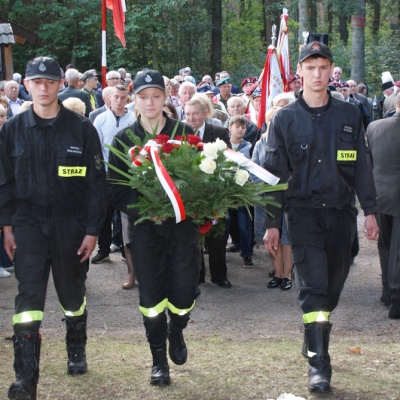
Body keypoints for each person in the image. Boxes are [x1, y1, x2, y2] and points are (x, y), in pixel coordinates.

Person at [263, 42, 379, 393]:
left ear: (331, 72)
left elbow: (361, 166)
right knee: (313, 288)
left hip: (342, 215)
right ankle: (319, 364)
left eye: (323, 67)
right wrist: (271, 221)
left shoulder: (349, 116)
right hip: (303, 214)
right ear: (299, 72)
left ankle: (312, 333)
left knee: (332, 287)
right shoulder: (284, 119)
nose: (316, 74)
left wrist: (370, 210)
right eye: (310, 67)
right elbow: (274, 173)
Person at [0, 56, 107, 399]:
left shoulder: (81, 129)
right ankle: (25, 379)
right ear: (26, 85)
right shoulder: (11, 130)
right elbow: (4, 183)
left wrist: (93, 231)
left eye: (49, 82)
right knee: (28, 298)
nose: (43, 88)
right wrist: (6, 225)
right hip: (28, 223)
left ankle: (76, 346)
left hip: (70, 224)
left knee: (71, 294)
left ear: (61, 83)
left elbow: (96, 185)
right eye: (36, 82)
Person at [108, 70, 200, 386]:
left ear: (166, 97)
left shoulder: (184, 134)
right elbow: (116, 188)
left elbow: (201, 180)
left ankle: (178, 328)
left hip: (182, 228)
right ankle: (159, 361)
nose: (150, 102)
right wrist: (147, 210)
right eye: (143, 96)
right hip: (145, 230)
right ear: (135, 98)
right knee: (150, 296)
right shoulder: (124, 140)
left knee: (186, 290)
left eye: (156, 96)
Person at [184, 98, 232, 288]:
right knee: (194, 236)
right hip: (191, 193)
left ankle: (219, 275)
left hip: (215, 194)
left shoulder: (218, 132)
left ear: (205, 114)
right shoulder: (181, 133)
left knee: (217, 236)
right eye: (187, 114)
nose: (191, 118)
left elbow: (227, 158)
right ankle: (197, 275)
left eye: (195, 113)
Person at [92, 84, 136, 265]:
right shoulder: (100, 119)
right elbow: (95, 148)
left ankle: (127, 252)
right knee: (104, 215)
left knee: (126, 215)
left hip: (127, 176)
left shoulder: (133, 119)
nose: (119, 101)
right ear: (110, 98)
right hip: (106, 174)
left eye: (123, 97)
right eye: (116, 97)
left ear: (127, 99)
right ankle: (103, 250)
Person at [366, 93, 400, 319]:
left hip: (381, 194)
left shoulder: (374, 127)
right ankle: (396, 298)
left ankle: (387, 291)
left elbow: (369, 162)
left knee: (386, 245)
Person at [227, 115, 253, 268]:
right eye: (238, 126)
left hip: (243, 190)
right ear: (230, 128)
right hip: (226, 189)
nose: (241, 130)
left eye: (243, 127)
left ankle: (247, 253)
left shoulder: (249, 147)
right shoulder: (223, 146)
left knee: (244, 223)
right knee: (227, 222)